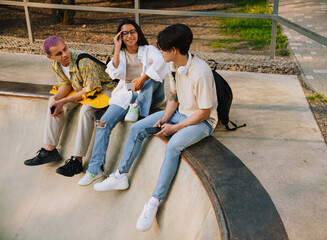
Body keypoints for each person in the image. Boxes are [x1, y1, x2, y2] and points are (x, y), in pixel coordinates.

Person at [93, 24, 218, 231]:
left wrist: (175, 128)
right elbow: (174, 97)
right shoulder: (174, 65)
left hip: (201, 121)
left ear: (174, 50)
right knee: (137, 129)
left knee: (173, 146)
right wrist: (165, 119)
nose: (159, 52)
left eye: (162, 49)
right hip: (180, 112)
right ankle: (121, 174)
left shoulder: (201, 73)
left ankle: (154, 201)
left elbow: (205, 112)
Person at [77, 19, 167, 186]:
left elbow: (162, 62)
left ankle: (138, 106)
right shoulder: (121, 53)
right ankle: (95, 170)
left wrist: (143, 78)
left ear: (138, 33)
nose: (129, 36)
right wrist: (117, 47)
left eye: (132, 31)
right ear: (120, 37)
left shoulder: (149, 50)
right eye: (124, 33)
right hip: (126, 94)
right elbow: (114, 72)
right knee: (103, 123)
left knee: (151, 77)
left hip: (150, 94)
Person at [24, 36, 117, 178]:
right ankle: (49, 150)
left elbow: (90, 89)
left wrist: (64, 101)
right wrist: (57, 100)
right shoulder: (55, 64)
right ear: (50, 57)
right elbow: (66, 84)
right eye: (59, 54)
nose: (65, 54)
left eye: (65, 49)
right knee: (52, 100)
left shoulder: (83, 61)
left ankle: (77, 160)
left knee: (86, 110)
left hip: (105, 89)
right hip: (82, 88)